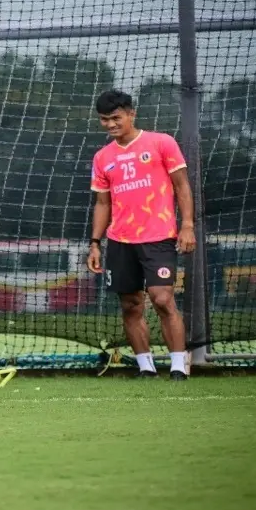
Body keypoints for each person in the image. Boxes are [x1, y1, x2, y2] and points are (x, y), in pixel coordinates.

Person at [86, 90, 196, 380]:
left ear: (131, 114)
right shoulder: (102, 157)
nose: (110, 124)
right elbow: (102, 203)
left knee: (162, 299)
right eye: (104, 119)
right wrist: (95, 243)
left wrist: (187, 225)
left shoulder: (161, 142)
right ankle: (146, 368)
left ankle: (178, 367)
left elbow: (182, 186)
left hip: (159, 236)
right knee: (130, 305)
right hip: (120, 241)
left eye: (116, 117)